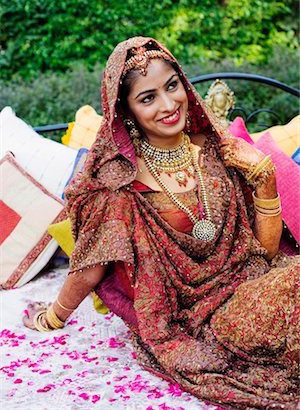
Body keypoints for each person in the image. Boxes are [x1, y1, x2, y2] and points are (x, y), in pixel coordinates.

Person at [23, 37, 299, 409]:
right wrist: (52, 317)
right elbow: (90, 267)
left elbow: (263, 254)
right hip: (208, 319)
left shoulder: (219, 150)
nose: (169, 105)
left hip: (261, 283)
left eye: (172, 86)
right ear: (126, 111)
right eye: (148, 97)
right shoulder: (120, 188)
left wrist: (265, 181)